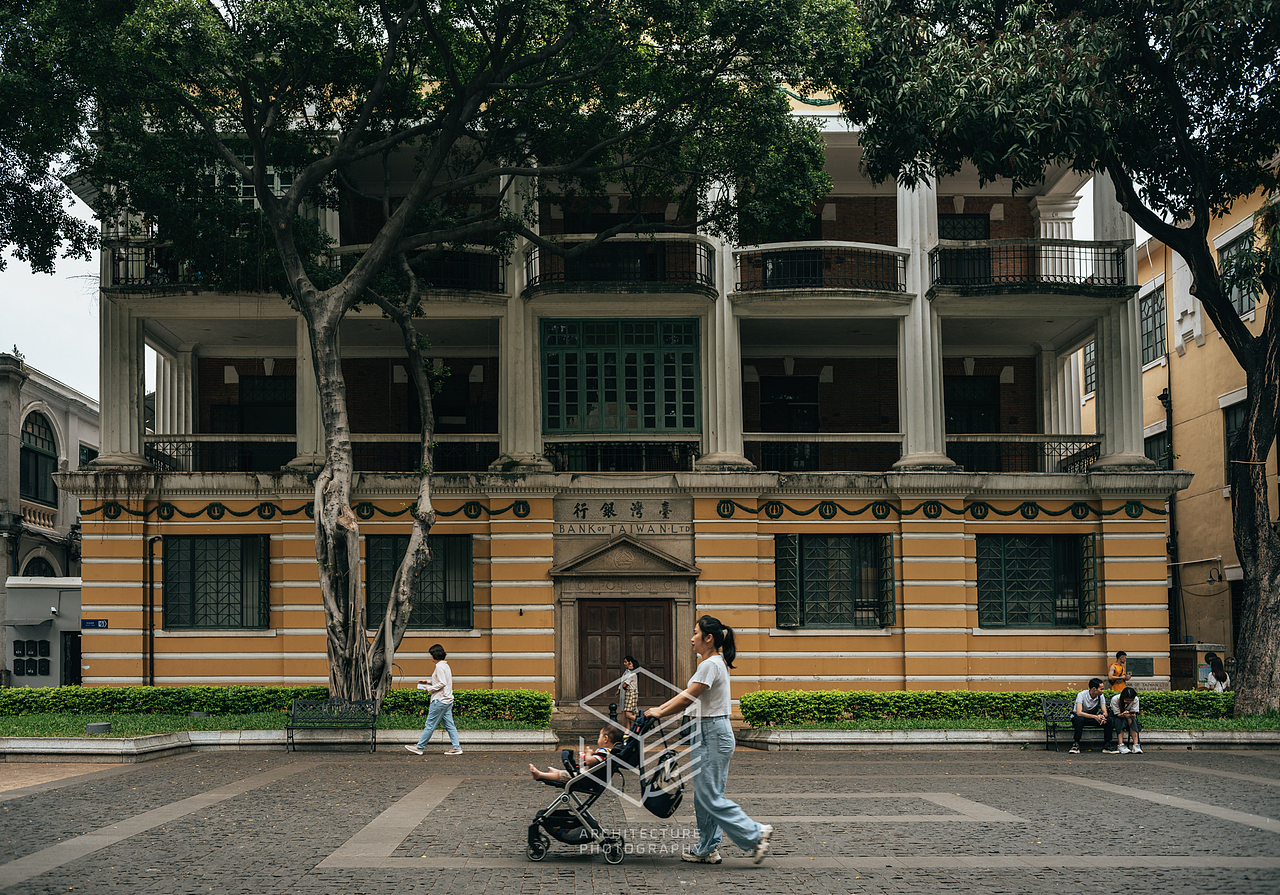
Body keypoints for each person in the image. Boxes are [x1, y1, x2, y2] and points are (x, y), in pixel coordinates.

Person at [647, 615, 773, 865]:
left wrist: (659, 712)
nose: (692, 638)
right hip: (708, 733)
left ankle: (755, 833)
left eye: (696, 633)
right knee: (705, 796)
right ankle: (707, 848)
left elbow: (687, 698)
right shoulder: (712, 663)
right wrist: (658, 710)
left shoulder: (710, 664)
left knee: (709, 796)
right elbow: (685, 695)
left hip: (712, 734)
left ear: (708, 638)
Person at [404, 644, 463, 755]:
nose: (430, 656)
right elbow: (441, 681)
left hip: (439, 701)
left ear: (433, 655)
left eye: (430, 654)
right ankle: (456, 747)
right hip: (447, 700)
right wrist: (427, 681)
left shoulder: (439, 667)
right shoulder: (445, 666)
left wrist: (429, 689)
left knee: (430, 725)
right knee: (450, 725)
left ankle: (419, 747)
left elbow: (442, 683)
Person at [529, 726, 620, 784]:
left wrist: (588, 754)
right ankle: (556, 772)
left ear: (605, 739)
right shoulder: (608, 752)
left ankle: (540, 775)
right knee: (568, 773)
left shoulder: (604, 752)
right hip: (589, 775)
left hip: (587, 778)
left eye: (599, 736)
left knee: (564, 776)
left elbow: (590, 761)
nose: (598, 738)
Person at [1069, 677, 1117, 755]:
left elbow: (1105, 712)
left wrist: (1102, 717)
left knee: (1109, 720)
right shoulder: (1081, 695)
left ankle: (1107, 745)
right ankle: (1076, 744)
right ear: (1094, 688)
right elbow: (1079, 713)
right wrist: (1095, 717)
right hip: (1080, 718)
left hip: (1092, 718)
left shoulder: (1101, 696)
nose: (1102, 691)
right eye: (1101, 689)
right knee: (1079, 719)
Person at [1110, 686, 1143, 754]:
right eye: (1127, 700)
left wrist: (1132, 715)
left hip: (1128, 717)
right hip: (1116, 717)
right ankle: (1120, 744)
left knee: (1133, 721)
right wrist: (1123, 714)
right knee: (1120, 721)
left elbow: (1134, 712)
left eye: (1131, 700)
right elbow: (1116, 714)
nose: (1129, 702)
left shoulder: (1136, 699)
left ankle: (1136, 745)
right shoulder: (1115, 699)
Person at [619, 656, 639, 728]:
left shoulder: (632, 674)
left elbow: (625, 684)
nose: (627, 665)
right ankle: (627, 730)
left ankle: (639, 722)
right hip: (627, 694)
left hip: (630, 694)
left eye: (629, 663)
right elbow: (623, 683)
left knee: (628, 714)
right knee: (626, 713)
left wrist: (636, 695)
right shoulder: (627, 672)